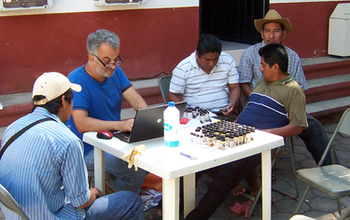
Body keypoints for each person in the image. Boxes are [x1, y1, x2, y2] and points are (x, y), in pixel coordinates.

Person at [185, 43, 308, 220]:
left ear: (275, 67)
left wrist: (265, 134)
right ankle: (163, 209)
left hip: (256, 142)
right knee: (193, 159)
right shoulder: (262, 82)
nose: (260, 68)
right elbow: (251, 109)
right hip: (236, 132)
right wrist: (234, 124)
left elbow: (298, 126)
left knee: (224, 178)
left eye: (263, 65)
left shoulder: (293, 91)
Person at [0, 72, 143, 220]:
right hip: (52, 215)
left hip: (15, 214)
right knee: (131, 201)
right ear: (64, 100)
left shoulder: (12, 129)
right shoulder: (67, 140)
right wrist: (93, 193)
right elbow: (80, 202)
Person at [236, 9, 339, 196]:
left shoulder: (292, 56)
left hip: (286, 108)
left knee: (313, 126)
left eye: (276, 31)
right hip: (257, 106)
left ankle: (333, 172)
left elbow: (299, 88)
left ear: (283, 34)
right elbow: (243, 82)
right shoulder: (251, 54)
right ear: (262, 33)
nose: (272, 35)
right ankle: (255, 176)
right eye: (267, 31)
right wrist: (257, 101)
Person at [66, 29, 148, 194]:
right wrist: (120, 124)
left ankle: (113, 192)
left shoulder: (115, 72)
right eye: (106, 61)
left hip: (112, 140)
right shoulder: (76, 80)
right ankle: (111, 195)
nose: (112, 65)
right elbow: (81, 123)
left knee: (146, 156)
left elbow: (134, 98)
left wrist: (148, 118)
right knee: (135, 165)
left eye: (116, 59)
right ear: (92, 59)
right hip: (87, 149)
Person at [168, 34, 241, 121]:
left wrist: (232, 103)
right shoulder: (183, 68)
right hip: (197, 117)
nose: (212, 63)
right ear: (197, 55)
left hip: (223, 114)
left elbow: (235, 87)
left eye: (215, 59)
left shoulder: (227, 60)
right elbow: (172, 95)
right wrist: (188, 113)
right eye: (207, 60)